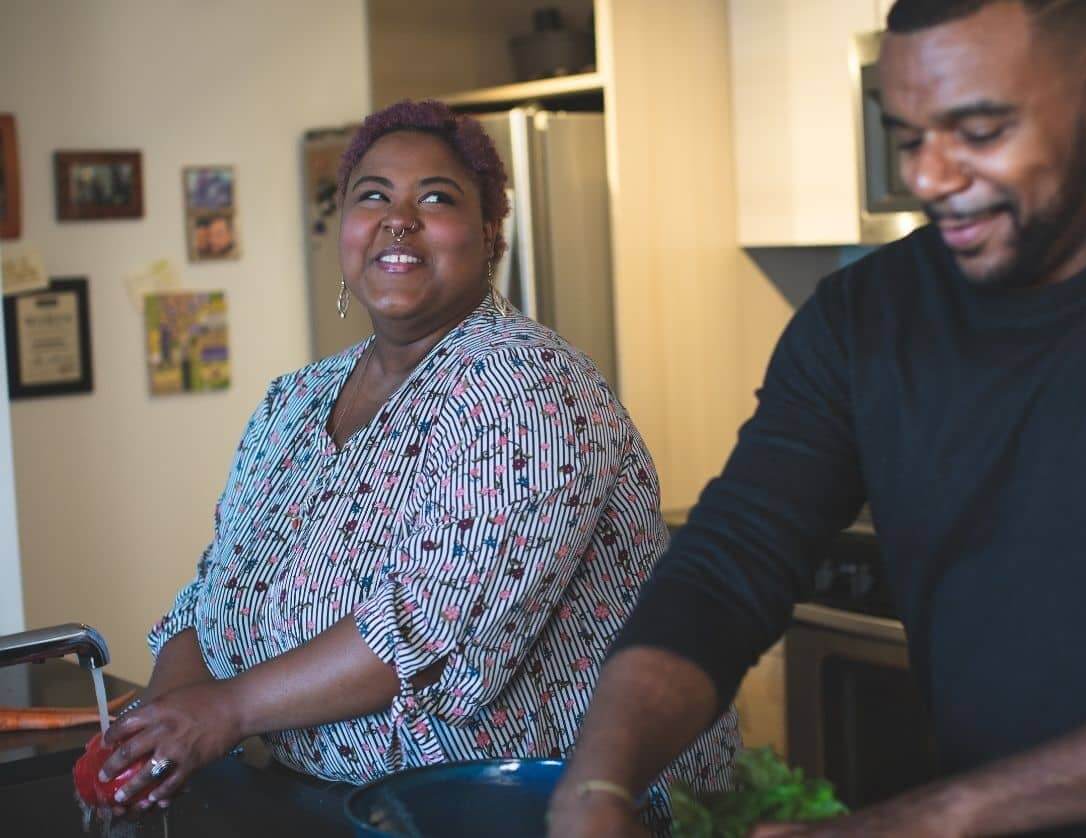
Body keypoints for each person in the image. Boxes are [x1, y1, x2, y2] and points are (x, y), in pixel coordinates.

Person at [549, 1, 1086, 836]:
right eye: (909, 136)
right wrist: (596, 783)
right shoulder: (864, 319)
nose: (929, 178)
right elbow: (726, 568)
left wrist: (936, 817)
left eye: (978, 130)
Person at [97, 100, 738, 831]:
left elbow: (431, 629)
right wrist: (168, 717)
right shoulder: (294, 401)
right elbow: (216, 586)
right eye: (372, 196)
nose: (398, 218)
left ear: (491, 235)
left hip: (552, 813)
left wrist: (227, 708)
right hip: (351, 807)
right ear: (345, 230)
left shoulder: (525, 383)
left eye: (435, 198)